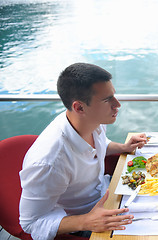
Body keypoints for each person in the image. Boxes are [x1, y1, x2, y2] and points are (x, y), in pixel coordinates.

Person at [19, 63, 148, 239]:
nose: (117, 104)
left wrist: (123, 147)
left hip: (108, 194)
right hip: (84, 221)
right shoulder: (49, 162)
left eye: (114, 96)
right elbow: (31, 223)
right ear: (79, 107)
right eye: (107, 99)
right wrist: (86, 221)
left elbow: (98, 146)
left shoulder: (93, 121)